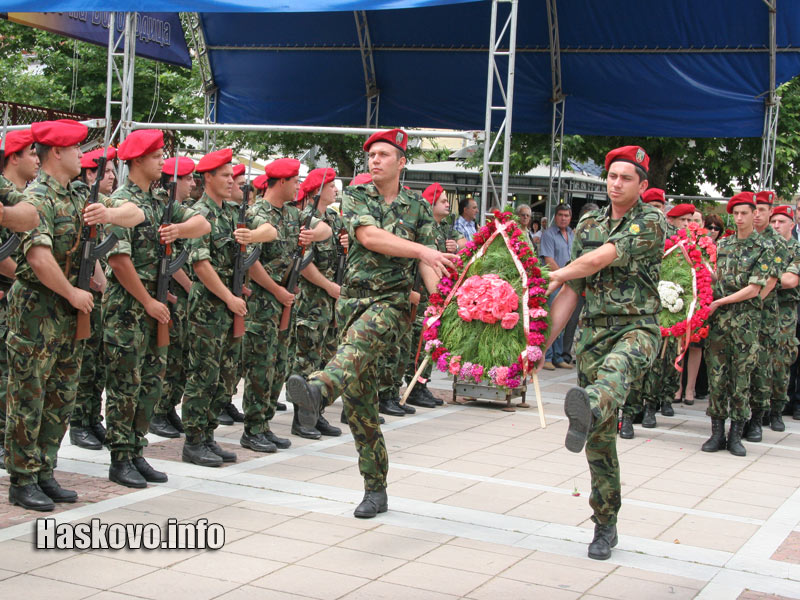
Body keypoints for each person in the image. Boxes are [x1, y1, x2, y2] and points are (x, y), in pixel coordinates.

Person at [285, 128, 457, 519]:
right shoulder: (356, 196)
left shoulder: (418, 207)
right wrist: (423, 251)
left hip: (393, 304)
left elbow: (428, 265)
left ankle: (319, 390)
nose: (374, 160)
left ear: (401, 162)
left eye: (383, 154)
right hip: (352, 303)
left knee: (358, 345)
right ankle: (375, 489)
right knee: (361, 405)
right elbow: (369, 236)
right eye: (371, 155)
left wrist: (438, 305)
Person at [5, 119, 142, 510]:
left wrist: (107, 216)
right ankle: (23, 478)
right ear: (57, 153)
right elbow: (38, 258)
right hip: (37, 310)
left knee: (61, 397)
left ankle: (45, 470)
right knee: (29, 397)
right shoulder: (37, 197)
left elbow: (136, 214)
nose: (83, 156)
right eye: (76, 149)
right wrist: (72, 293)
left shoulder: (80, 193)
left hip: (69, 312)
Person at [539, 145, 666, 560]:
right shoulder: (589, 221)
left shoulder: (651, 220)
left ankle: (589, 405)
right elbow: (574, 290)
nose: (616, 184)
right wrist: (539, 346)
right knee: (599, 442)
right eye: (611, 176)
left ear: (642, 185)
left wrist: (556, 273)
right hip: (592, 335)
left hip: (636, 328)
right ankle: (605, 525)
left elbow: (602, 257)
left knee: (616, 372)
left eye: (626, 178)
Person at [103, 131, 210, 488]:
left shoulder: (160, 200)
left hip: (155, 305)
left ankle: (137, 450)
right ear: (137, 161)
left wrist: (178, 229)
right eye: (156, 156)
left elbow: (203, 224)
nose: (162, 161)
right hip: (128, 307)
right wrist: (148, 301)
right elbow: (119, 261)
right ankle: (120, 458)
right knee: (125, 385)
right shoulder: (120, 202)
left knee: (150, 383)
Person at [181, 148, 268, 467]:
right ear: (208, 178)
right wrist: (229, 297)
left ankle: (208, 435)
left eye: (233, 175)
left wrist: (253, 235)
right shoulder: (198, 214)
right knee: (203, 375)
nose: (232, 181)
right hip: (208, 308)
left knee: (226, 375)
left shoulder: (233, 213)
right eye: (225, 176)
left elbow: (269, 232)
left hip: (232, 306)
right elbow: (201, 265)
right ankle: (193, 441)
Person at [241, 158, 328, 448]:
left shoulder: (293, 214)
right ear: (280, 182)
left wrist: (313, 234)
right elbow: (251, 262)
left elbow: (325, 230)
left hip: (285, 302)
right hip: (262, 304)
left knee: (279, 365)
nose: (298, 187)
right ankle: (252, 428)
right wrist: (276, 290)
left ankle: (265, 424)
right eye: (294, 181)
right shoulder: (256, 213)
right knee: (260, 367)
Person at [702, 192, 770, 457]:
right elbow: (716, 276)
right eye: (736, 214)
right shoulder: (724, 245)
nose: (739, 218)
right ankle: (717, 433)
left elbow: (754, 288)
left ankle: (736, 435)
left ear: (755, 214)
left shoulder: (763, 248)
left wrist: (720, 301)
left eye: (744, 213)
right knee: (716, 376)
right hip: (719, 322)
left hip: (745, 323)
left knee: (741, 378)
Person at [290, 168, 345, 437]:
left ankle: (317, 412)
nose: (335, 190)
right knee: (307, 361)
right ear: (317, 190)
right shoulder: (307, 219)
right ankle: (301, 419)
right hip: (312, 303)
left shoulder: (334, 219)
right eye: (331, 185)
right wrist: (329, 286)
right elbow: (304, 263)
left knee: (326, 360)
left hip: (331, 305)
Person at [69, 146, 118, 451]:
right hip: (80, 294)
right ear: (90, 174)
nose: (112, 176)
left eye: (113, 171)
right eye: (106, 172)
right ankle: (78, 423)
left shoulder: (100, 204)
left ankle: (91, 418)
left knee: (98, 363)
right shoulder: (80, 201)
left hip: (97, 297)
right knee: (84, 363)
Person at [400, 182, 464, 408]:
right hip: (420, 294)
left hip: (436, 294)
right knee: (416, 342)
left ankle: (421, 384)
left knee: (429, 341)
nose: (447, 205)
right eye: (443, 201)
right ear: (431, 204)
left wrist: (455, 247)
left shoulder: (444, 227)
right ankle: (412, 386)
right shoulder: (422, 228)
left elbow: (464, 243)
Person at [149, 156, 197, 439]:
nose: (193, 183)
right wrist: (190, 286)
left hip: (182, 294)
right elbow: (167, 258)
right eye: (187, 178)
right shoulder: (162, 208)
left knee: (180, 356)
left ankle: (168, 407)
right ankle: (157, 410)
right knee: (167, 356)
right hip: (170, 291)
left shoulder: (182, 211)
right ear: (172, 181)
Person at [0, 128, 39, 466]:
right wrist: (31, 276)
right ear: (14, 157)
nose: (38, 159)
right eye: (32, 153)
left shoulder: (20, 196)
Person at [744, 190, 788, 443]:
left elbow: (769, 282)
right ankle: (737, 416)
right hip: (739, 314)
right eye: (755, 209)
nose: (758, 214)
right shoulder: (742, 239)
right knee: (740, 368)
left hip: (763, 315)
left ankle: (757, 419)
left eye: (762, 210)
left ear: (770, 212)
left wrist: (745, 304)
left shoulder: (777, 243)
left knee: (761, 367)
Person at [769, 206, 800, 431]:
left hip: (785, 311)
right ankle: (759, 410)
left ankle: (777, 411)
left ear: (792, 224)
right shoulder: (766, 246)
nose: (776, 225)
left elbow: (790, 281)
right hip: (763, 308)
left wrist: (762, 279)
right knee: (760, 362)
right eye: (774, 221)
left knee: (781, 362)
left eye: (781, 221)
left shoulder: (796, 249)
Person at [540, 203, 575, 370]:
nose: (563, 218)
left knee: (563, 320)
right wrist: (564, 275)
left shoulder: (572, 234)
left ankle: (558, 356)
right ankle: (547, 356)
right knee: (551, 319)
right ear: (555, 216)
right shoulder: (548, 234)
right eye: (560, 215)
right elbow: (548, 260)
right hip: (554, 282)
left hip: (567, 282)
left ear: (570, 217)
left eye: (566, 215)